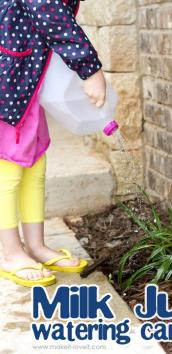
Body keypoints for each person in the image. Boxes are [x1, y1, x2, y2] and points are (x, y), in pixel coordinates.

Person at [0, 0, 106, 287]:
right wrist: (90, 68)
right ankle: (11, 252)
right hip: (10, 77)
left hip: (25, 73)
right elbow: (50, 12)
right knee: (9, 165)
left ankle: (35, 245)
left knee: (34, 161)